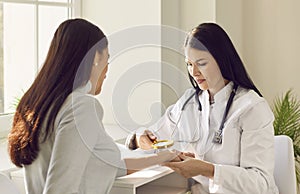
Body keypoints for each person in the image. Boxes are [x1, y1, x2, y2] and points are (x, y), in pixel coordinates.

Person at [8, 18, 177, 194]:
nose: (107, 70)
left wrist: (163, 158)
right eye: (107, 59)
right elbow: (60, 189)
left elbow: (111, 165)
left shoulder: (35, 105)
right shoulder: (81, 107)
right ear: (96, 57)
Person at [126, 23, 279, 194]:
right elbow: (156, 136)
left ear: (222, 59)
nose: (194, 72)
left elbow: (260, 183)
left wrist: (208, 170)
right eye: (189, 64)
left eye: (201, 63)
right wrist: (139, 138)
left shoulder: (251, 108)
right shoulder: (188, 103)